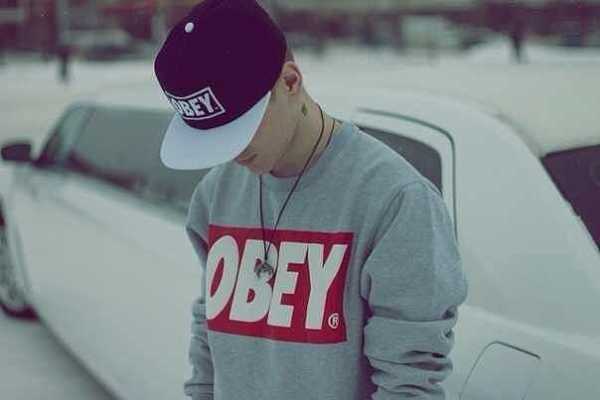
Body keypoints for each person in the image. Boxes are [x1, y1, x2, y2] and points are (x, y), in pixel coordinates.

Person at [153, 1, 468, 399]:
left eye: (239, 129)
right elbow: (210, 332)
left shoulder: (395, 201)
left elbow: (409, 380)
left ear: (290, 82)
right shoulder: (216, 193)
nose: (231, 153)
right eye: (211, 138)